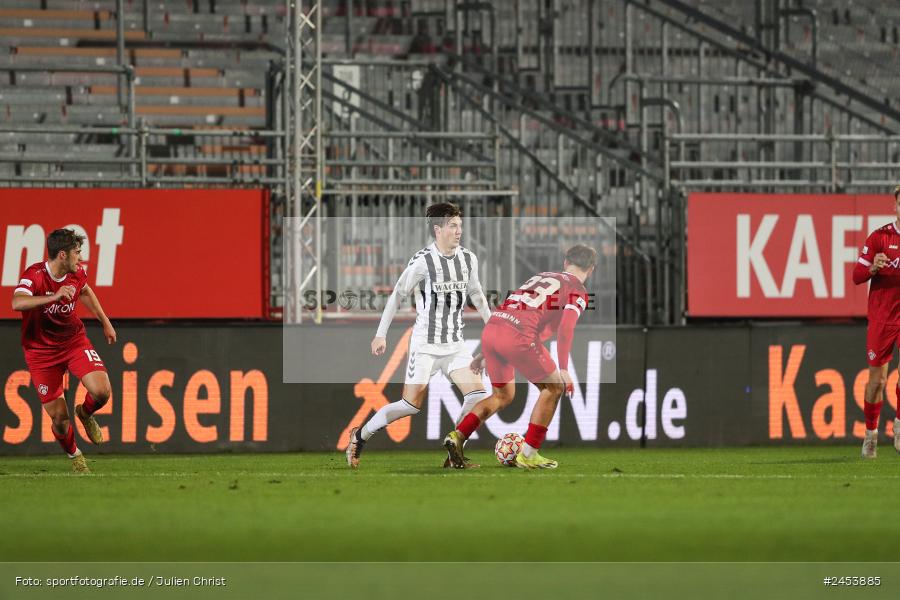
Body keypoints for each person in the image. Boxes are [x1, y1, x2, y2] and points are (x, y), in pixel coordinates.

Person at [346, 202, 492, 468]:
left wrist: (493, 330)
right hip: (425, 346)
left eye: (460, 225)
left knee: (477, 396)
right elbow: (397, 295)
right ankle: (360, 436)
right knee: (410, 405)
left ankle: (455, 453)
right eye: (453, 226)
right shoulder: (423, 261)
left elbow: (478, 295)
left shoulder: (468, 259)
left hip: (455, 344)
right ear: (438, 229)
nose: (459, 231)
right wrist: (381, 334)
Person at [444, 244, 596, 469]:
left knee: (502, 395)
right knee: (554, 388)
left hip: (494, 329)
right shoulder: (577, 290)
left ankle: (457, 436)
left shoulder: (541, 276)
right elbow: (566, 328)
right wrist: (563, 369)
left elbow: (521, 314)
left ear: (565, 263)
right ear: (591, 269)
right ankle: (529, 454)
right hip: (518, 335)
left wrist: (486, 352)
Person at [12, 228, 116, 473]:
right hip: (41, 353)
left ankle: (85, 413)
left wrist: (105, 321)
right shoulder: (35, 275)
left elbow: (85, 290)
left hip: (73, 342)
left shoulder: (77, 273)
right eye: (76, 252)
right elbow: (17, 302)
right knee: (59, 418)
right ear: (62, 255)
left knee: (101, 392)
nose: (80, 257)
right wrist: (53, 297)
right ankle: (76, 456)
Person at [853, 184, 900, 458]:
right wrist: (873, 267)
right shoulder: (879, 238)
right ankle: (871, 435)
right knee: (877, 381)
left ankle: (899, 426)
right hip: (882, 317)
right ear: (895, 206)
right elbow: (856, 276)